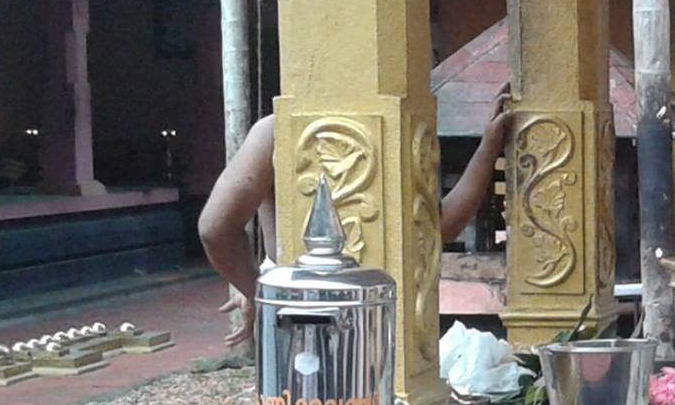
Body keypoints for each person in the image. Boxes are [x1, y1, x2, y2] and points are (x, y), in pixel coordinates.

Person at [198, 91, 513, 347]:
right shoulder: (398, 132)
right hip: (382, 318)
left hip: (295, 320)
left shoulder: (274, 132)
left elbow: (216, 230)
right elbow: (442, 227)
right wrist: (489, 147)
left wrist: (261, 291)